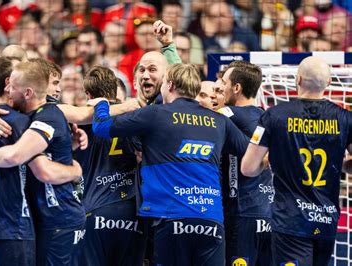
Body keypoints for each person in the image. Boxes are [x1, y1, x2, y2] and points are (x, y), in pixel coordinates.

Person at [92, 63, 249, 265]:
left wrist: (102, 104)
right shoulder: (219, 121)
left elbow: (101, 127)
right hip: (212, 220)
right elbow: (252, 151)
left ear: (170, 85)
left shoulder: (156, 114)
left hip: (171, 219)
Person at [0, 61, 86, 265]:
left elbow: (25, 160)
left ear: (27, 93)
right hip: (42, 218)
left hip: (59, 218)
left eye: (12, 86)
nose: (8, 89)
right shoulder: (26, 116)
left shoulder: (48, 115)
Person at [241, 56, 352, 265]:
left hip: (290, 219)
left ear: (298, 80)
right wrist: (344, 165)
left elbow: (248, 168)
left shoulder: (274, 116)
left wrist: (271, 161)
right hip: (327, 219)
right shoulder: (346, 118)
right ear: (329, 83)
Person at [76, 66, 143, 265]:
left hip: (95, 209)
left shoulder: (81, 120)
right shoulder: (137, 117)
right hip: (134, 212)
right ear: (115, 90)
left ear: (88, 94)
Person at [217, 61, 273, 265]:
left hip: (242, 214)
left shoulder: (227, 114)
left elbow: (202, 115)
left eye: (223, 83)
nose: (219, 88)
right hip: (270, 215)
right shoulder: (268, 117)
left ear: (236, 88)